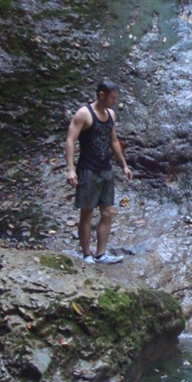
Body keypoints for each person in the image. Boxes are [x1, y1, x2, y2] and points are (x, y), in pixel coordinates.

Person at [65, 80, 133, 263]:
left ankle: (101, 254)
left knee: (108, 212)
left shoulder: (111, 115)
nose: (115, 102)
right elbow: (70, 140)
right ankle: (87, 254)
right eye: (112, 98)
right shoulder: (84, 114)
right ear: (102, 95)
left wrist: (124, 165)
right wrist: (70, 169)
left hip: (106, 170)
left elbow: (113, 141)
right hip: (88, 170)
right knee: (87, 214)